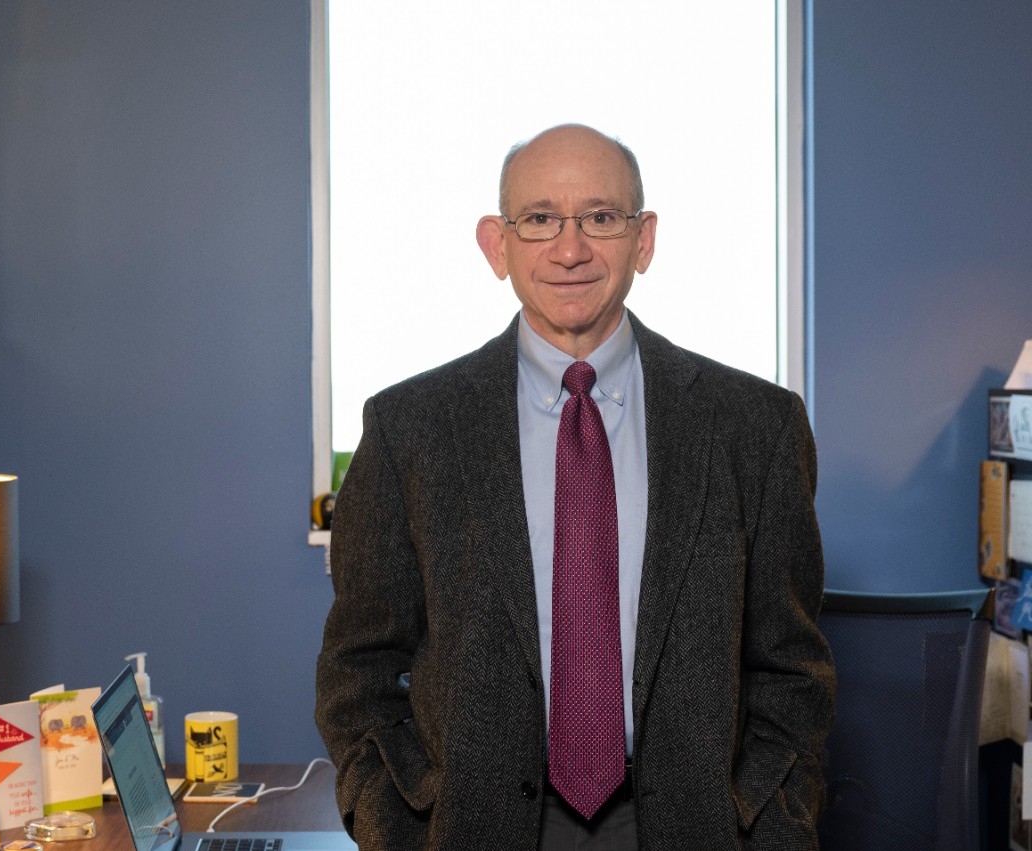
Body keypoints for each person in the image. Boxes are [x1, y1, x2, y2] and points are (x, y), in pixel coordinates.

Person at [314, 124, 835, 850]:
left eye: (600, 217)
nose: (569, 249)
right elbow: (357, 669)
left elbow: (792, 667)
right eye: (539, 220)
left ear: (643, 240)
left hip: (698, 826)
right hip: (474, 828)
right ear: (497, 245)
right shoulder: (411, 428)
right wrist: (399, 824)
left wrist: (767, 818)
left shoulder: (756, 426)